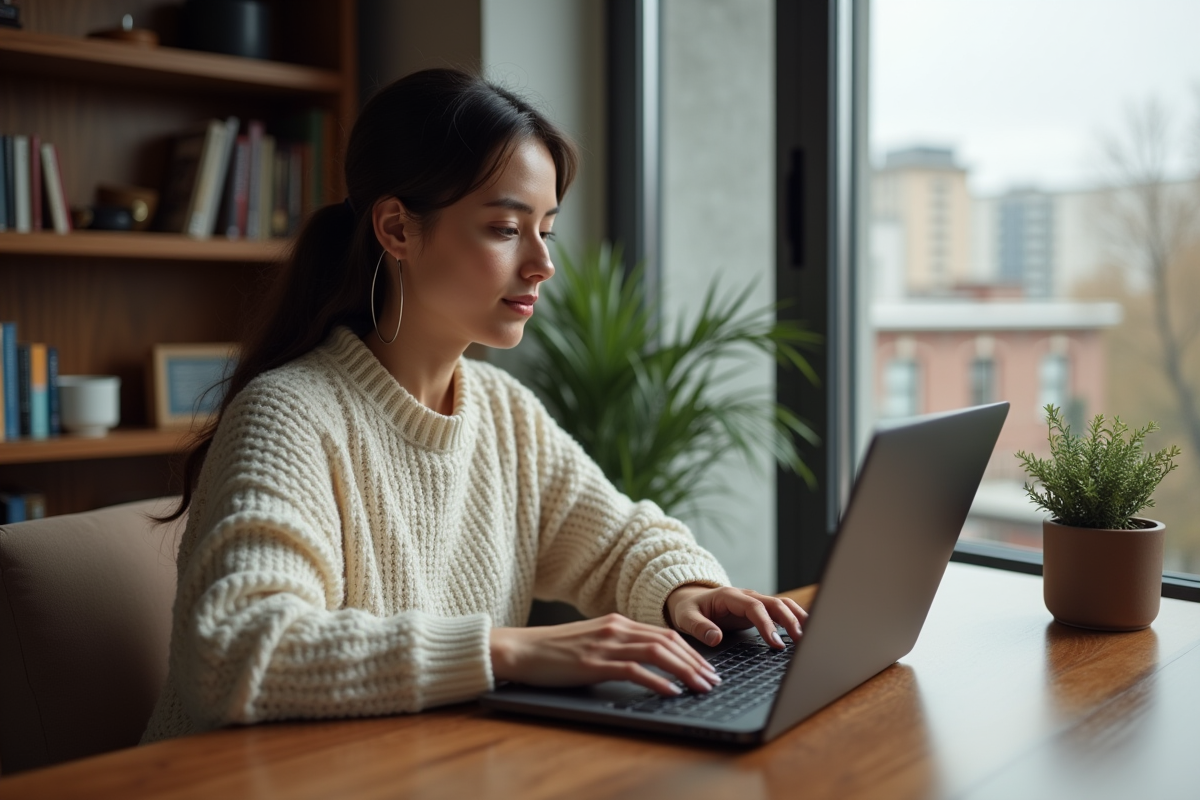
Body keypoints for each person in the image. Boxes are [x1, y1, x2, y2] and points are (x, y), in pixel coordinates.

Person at [141, 68, 807, 744]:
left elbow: (618, 541)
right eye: (505, 228)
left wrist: (685, 593)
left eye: (546, 229)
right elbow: (233, 652)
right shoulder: (289, 415)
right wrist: (508, 651)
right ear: (396, 228)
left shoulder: (502, 411)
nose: (543, 263)